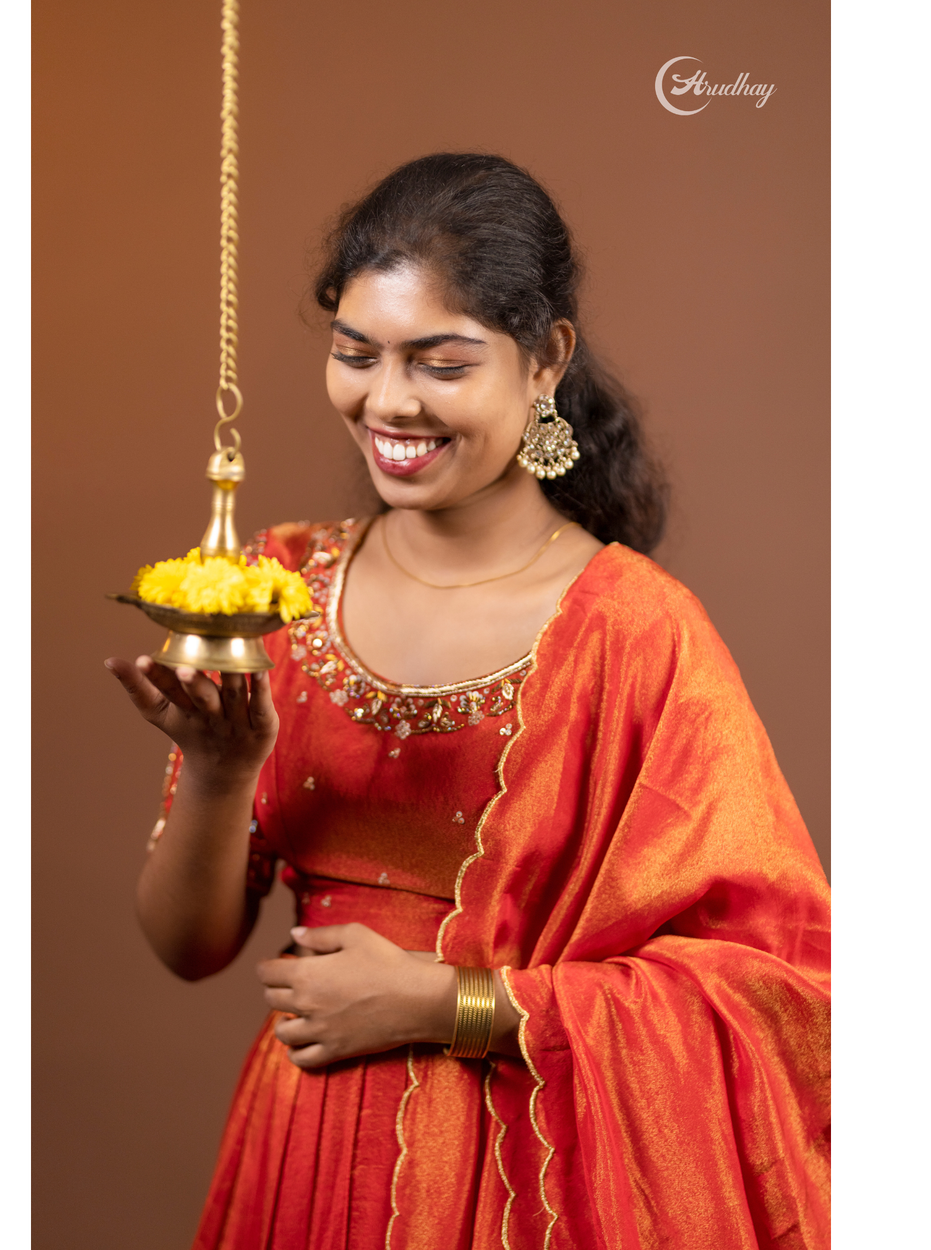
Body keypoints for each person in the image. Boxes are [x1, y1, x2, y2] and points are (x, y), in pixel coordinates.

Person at [106, 153, 830, 1250]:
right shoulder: (277, 586)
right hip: (301, 1152)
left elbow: (778, 984)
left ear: (546, 361)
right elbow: (189, 945)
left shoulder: (635, 630)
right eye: (355, 353)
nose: (387, 401)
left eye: (439, 363)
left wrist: (446, 1002)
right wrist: (218, 773)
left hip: (522, 1178)